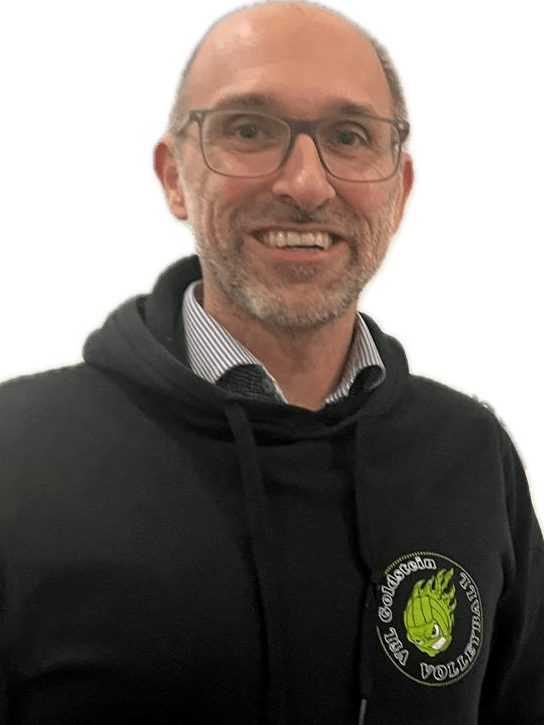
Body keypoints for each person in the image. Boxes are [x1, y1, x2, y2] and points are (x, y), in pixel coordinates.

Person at [0, 0, 542, 723]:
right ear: (172, 175)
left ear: (401, 190)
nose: (306, 185)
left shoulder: (471, 454)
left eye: (349, 137)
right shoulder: (16, 449)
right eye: (250, 130)